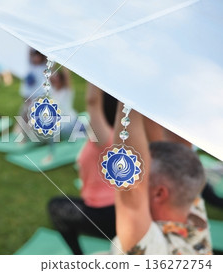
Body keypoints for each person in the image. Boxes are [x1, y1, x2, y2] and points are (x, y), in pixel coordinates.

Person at [111, 102, 211, 255]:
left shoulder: (155, 250)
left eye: (143, 176)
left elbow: (131, 187)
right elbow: (179, 141)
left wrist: (127, 95)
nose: (140, 178)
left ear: (159, 193)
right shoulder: (193, 211)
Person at [48, 83, 117, 254]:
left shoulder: (104, 138)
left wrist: (94, 73)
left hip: (108, 213)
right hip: (120, 208)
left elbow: (92, 102)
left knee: (55, 206)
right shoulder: (123, 134)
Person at [50, 67, 76, 138]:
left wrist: (64, 63)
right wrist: (53, 63)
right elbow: (49, 75)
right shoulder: (53, 91)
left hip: (69, 120)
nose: (55, 78)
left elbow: (67, 76)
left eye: (57, 77)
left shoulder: (67, 90)